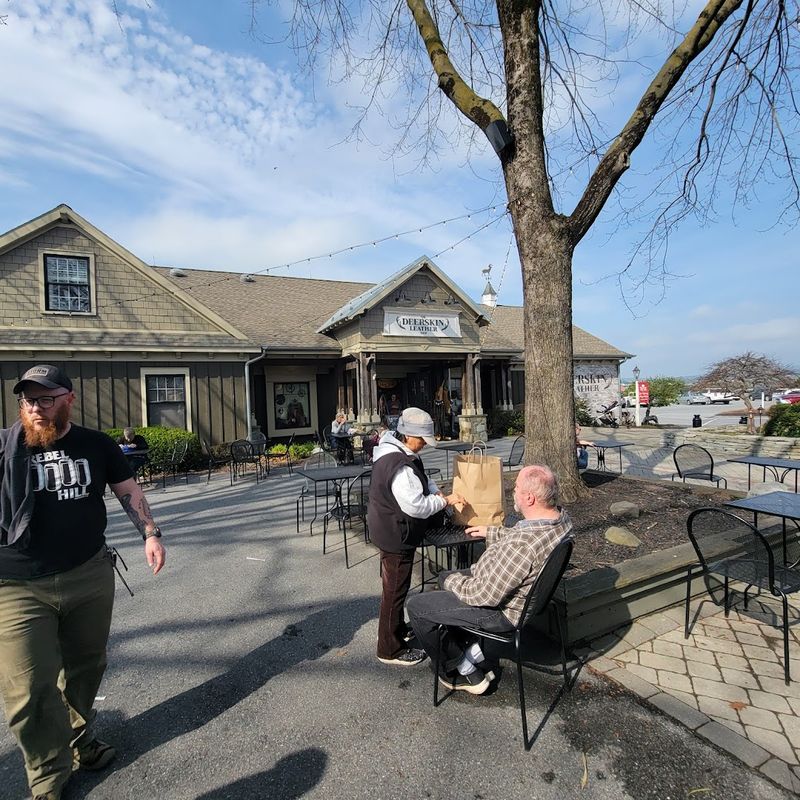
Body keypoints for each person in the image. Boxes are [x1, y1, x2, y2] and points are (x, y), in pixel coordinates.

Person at [0, 365, 166, 800]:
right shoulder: (3, 447)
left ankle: (78, 740)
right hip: (16, 586)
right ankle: (47, 774)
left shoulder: (96, 444)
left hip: (89, 574)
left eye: (45, 399)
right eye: (28, 400)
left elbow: (128, 490)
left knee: (86, 667)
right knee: (27, 689)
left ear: (69, 399)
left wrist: (149, 534)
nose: (35, 409)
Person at [406, 465, 573, 694]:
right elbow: (523, 537)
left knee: (417, 607)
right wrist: (491, 532)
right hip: (519, 599)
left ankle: (461, 668)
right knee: (445, 576)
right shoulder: (560, 521)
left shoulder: (522, 546)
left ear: (530, 498)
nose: (512, 492)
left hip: (501, 613)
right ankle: (469, 649)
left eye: (516, 488)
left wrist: (453, 582)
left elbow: (483, 595)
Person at [367, 407, 464, 666]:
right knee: (394, 591)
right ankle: (390, 649)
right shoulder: (399, 464)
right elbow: (415, 505)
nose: (424, 445)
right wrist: (443, 503)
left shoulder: (398, 451)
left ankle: (396, 630)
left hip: (386, 527)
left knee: (395, 586)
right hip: (395, 533)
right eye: (422, 439)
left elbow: (423, 480)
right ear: (408, 435)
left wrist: (437, 492)